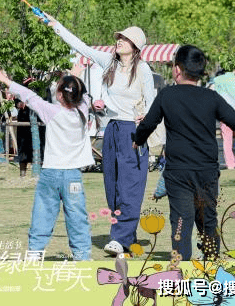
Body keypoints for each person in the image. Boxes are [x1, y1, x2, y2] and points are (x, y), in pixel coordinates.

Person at [43, 13, 156, 256]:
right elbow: (81, 46)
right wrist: (56, 26)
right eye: (119, 38)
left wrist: (146, 118)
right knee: (112, 186)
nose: (119, 41)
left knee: (130, 186)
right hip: (112, 129)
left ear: (135, 46)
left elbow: (151, 101)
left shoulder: (143, 69)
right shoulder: (109, 62)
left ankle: (119, 238)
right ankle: (126, 237)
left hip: (133, 131)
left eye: (125, 39)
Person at [132, 45, 235, 261]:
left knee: (181, 220)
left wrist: (137, 140)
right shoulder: (211, 97)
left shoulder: (167, 95)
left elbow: (148, 124)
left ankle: (182, 267)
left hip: (178, 172)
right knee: (208, 220)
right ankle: (212, 263)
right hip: (206, 171)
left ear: (177, 69)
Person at [0, 62, 93, 261]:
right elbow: (84, 96)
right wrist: (76, 76)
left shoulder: (52, 111)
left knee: (43, 213)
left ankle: (35, 252)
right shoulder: (83, 110)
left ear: (59, 95)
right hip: (73, 175)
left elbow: (29, 96)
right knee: (77, 216)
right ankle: (82, 255)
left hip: (51, 173)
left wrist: (5, 80)